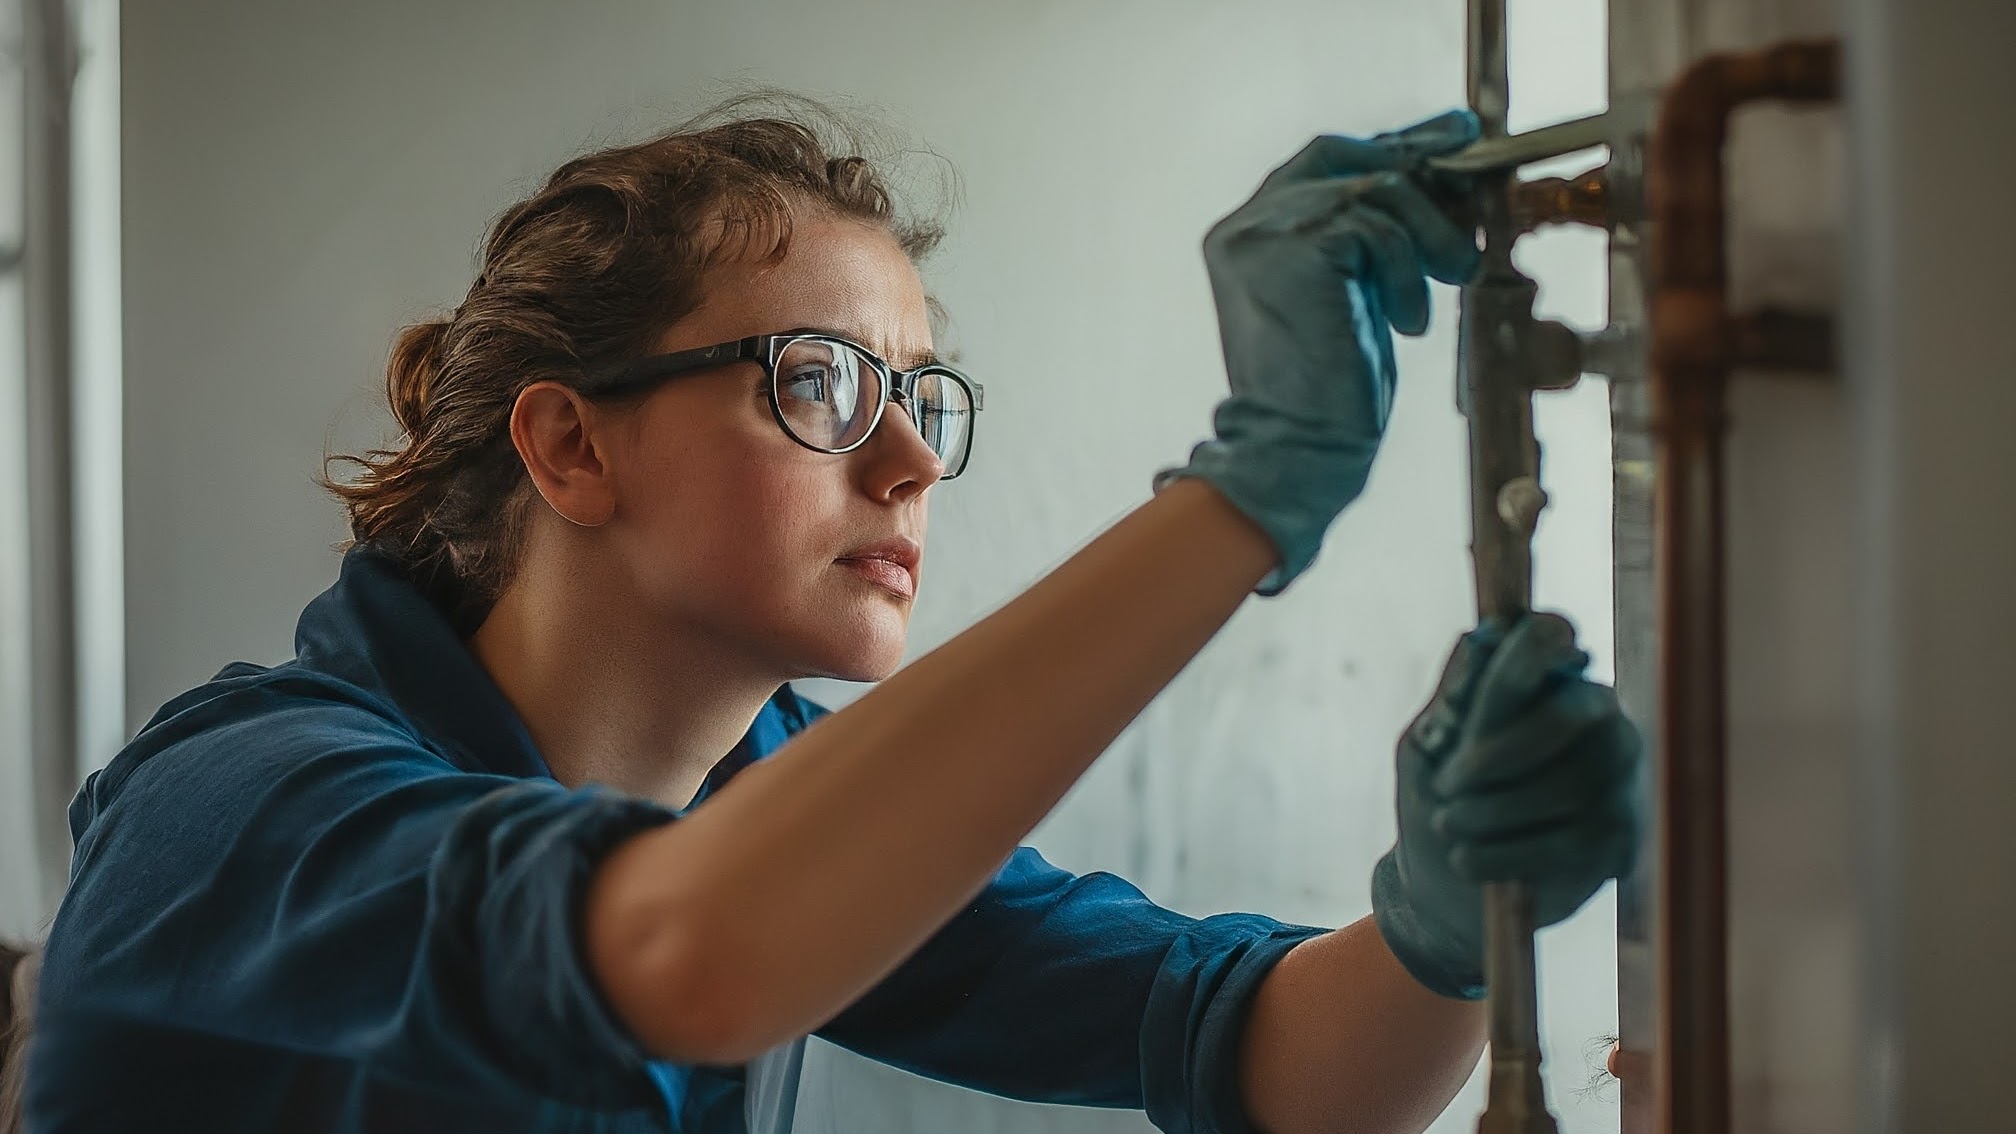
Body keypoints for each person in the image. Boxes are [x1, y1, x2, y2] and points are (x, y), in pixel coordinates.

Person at [20, 99, 1641, 1134]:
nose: (913, 456)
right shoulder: (237, 806)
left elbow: (1275, 1065)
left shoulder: (766, 805)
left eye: (923, 392)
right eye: (821, 383)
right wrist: (1248, 490)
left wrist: (1449, 926)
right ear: (571, 443)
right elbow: (692, 948)